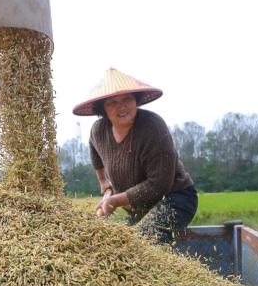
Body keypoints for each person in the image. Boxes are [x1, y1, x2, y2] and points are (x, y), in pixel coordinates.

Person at [74, 68, 198, 245]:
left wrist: (115, 200)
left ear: (136, 101)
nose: (121, 106)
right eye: (112, 103)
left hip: (174, 199)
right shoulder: (98, 130)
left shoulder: (152, 127)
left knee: (139, 244)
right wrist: (103, 182)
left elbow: (159, 184)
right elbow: (95, 152)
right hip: (139, 207)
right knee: (129, 245)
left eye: (127, 99)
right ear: (103, 109)